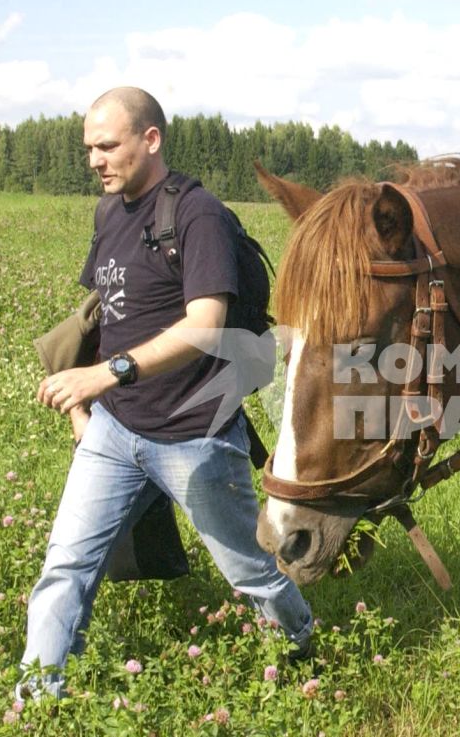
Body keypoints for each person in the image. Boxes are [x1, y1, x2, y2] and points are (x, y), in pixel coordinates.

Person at [17, 86, 312, 699]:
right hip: (115, 431)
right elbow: (106, 313)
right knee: (65, 567)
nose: (96, 160)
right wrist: (84, 403)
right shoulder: (109, 214)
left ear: (151, 140)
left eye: (108, 146)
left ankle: (306, 653)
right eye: (89, 149)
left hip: (195, 437)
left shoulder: (197, 215)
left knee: (250, 572)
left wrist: (106, 376)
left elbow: (207, 326)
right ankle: (36, 705)